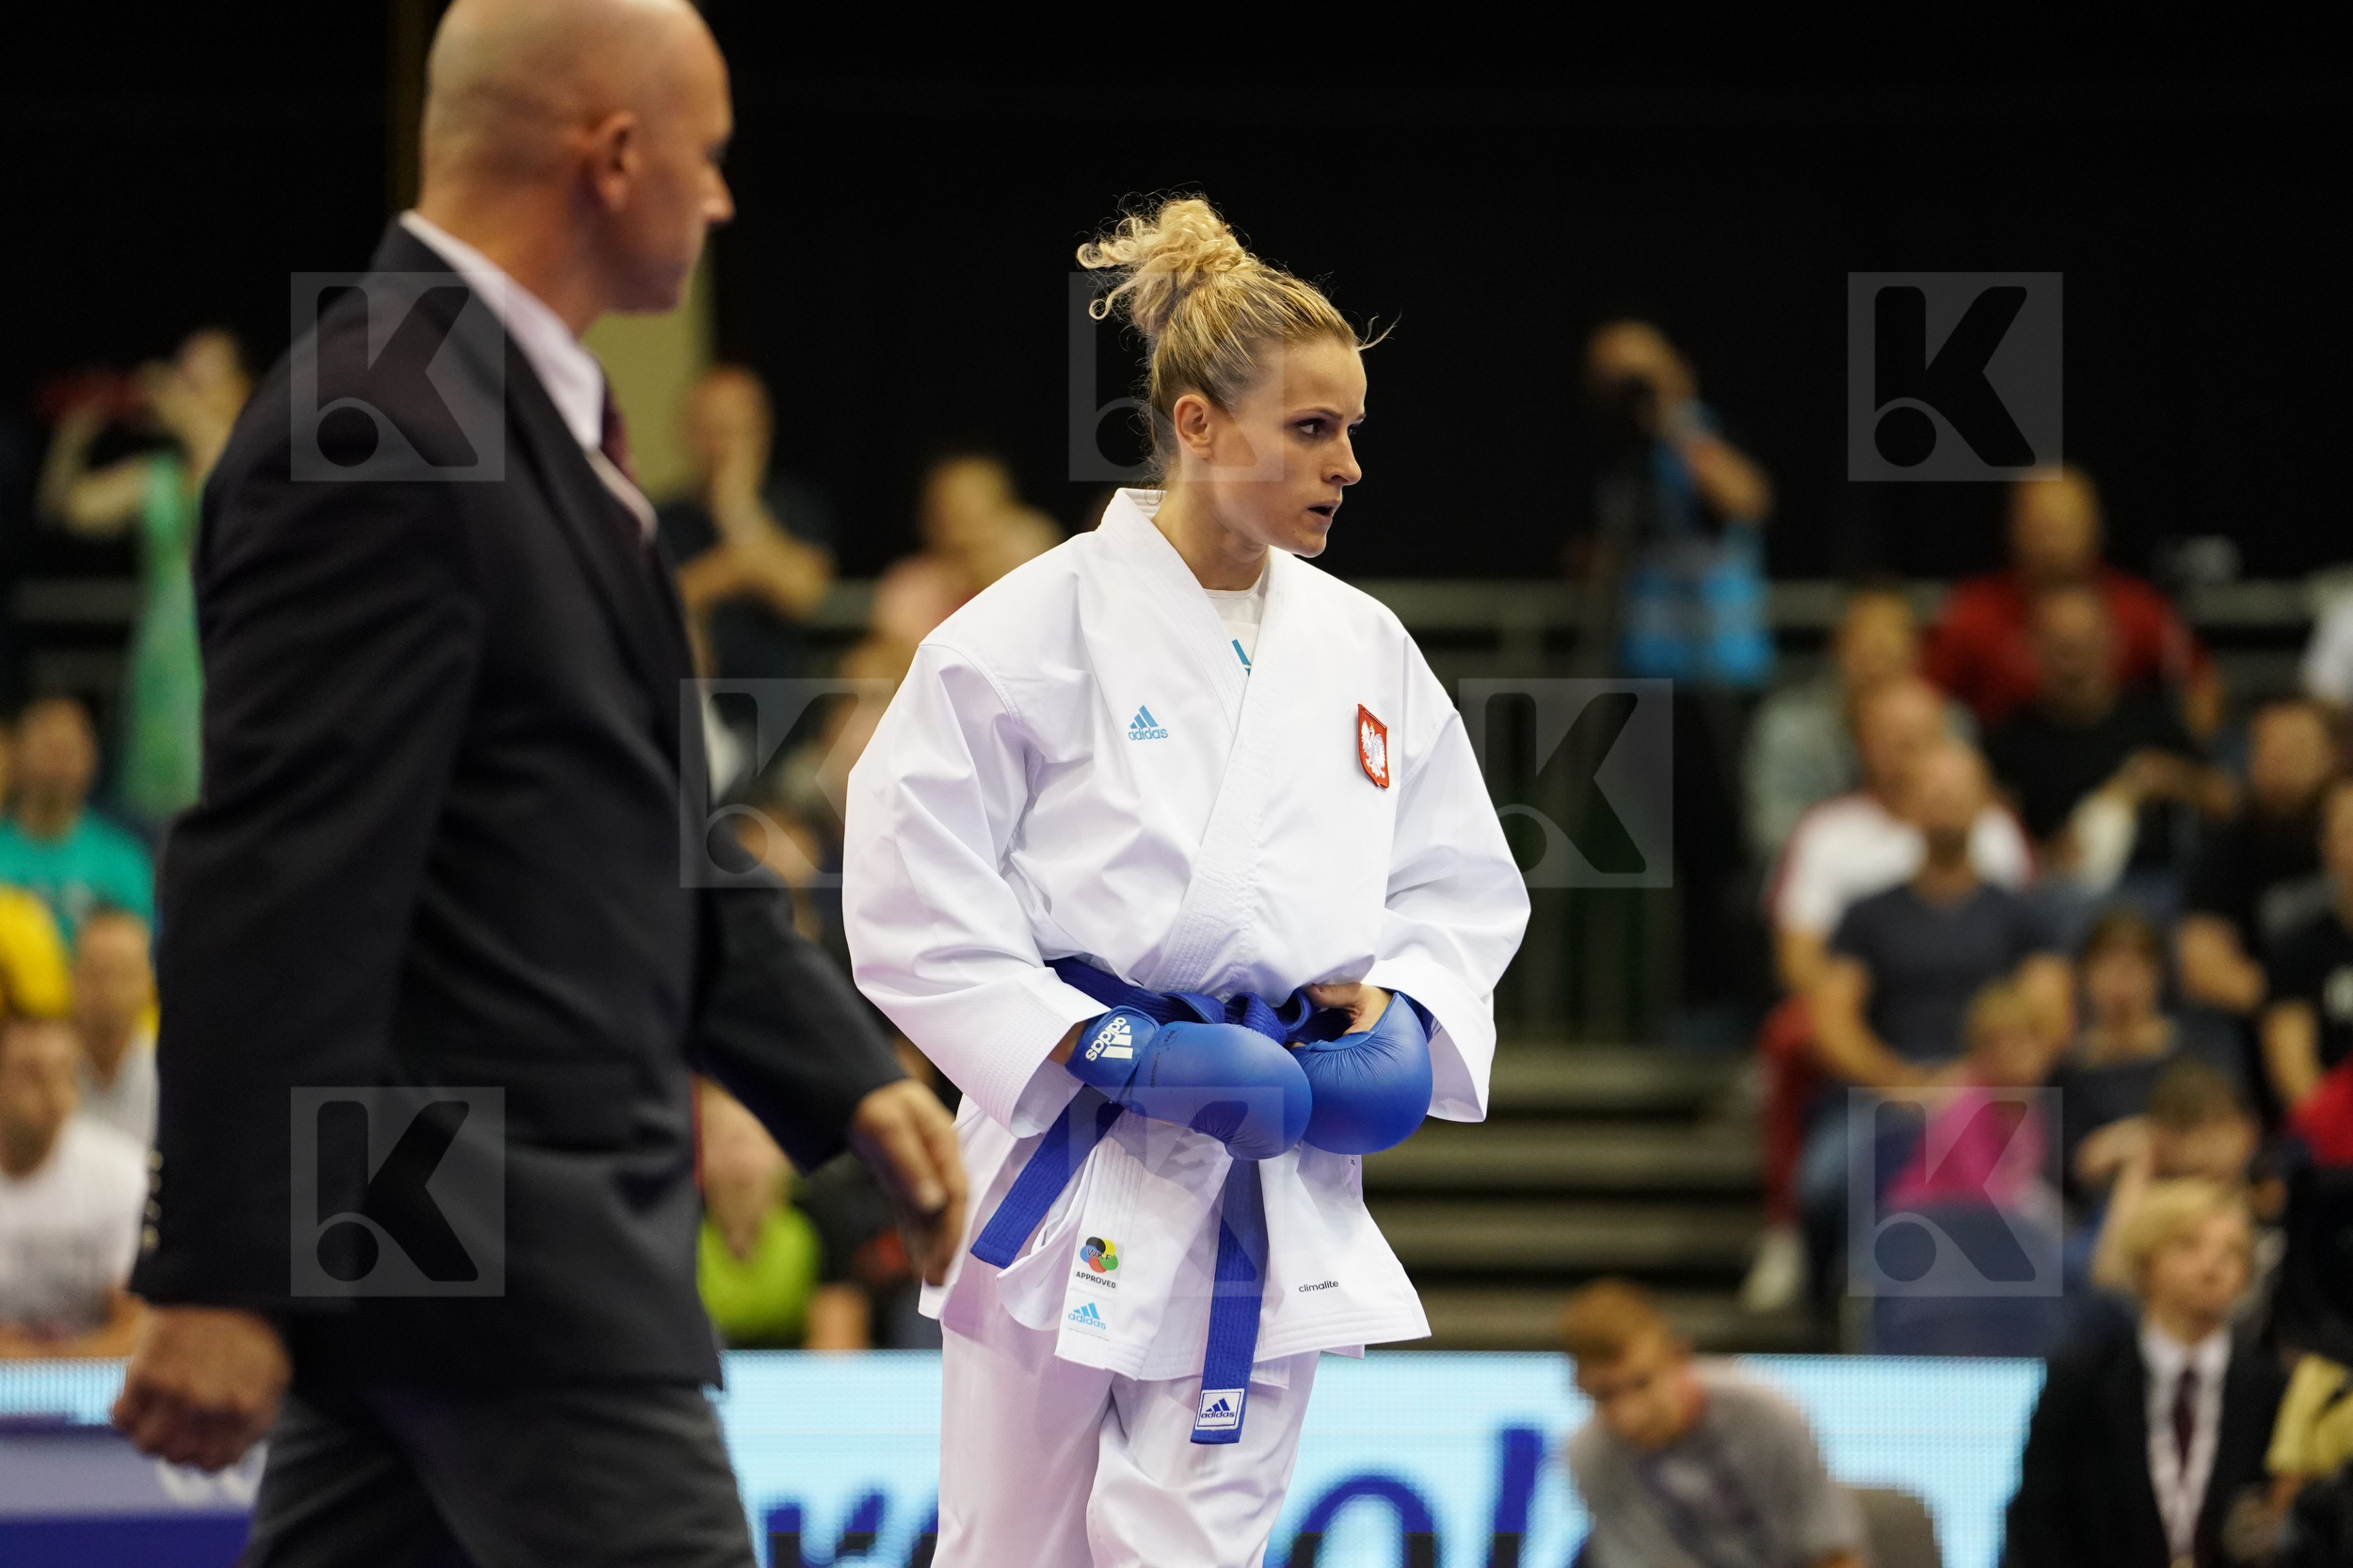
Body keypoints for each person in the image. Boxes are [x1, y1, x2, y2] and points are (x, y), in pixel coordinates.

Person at [108, 7, 964, 1566]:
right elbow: (271, 878)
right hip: (490, 1242)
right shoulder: (375, 431)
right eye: (707, 159)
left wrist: (842, 1067)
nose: (721, 200)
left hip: (463, 1250)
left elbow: (625, 829)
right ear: (613, 155)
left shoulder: (521, 422)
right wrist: (221, 1267)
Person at [840, 195, 1529, 1568]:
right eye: (1312, 429)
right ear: (1199, 423)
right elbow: (909, 882)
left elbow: (1459, 877)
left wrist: (1407, 1012)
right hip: (1068, 1145)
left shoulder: (1364, 645)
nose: (1346, 465)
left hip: (1276, 1150)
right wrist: (1095, 1041)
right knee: (1008, 1548)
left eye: (1354, 431)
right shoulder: (1025, 632)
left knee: (1189, 1549)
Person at [1797, 743, 2069, 1304]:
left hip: (1998, 1098)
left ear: (1985, 804)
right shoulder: (1867, 914)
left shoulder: (2022, 914)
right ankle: (1837, 1318)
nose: (1945, 802)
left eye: (1958, 789)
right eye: (1932, 790)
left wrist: (1974, 1084)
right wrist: (1906, 1085)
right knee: (1823, 1182)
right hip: (1888, 1094)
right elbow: (1832, 1021)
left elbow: (2049, 1014)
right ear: (1908, 806)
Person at [2005, 1178, 2286, 1568]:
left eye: (2232, 1252)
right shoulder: (2082, 1380)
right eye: (2188, 1245)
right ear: (2144, 1262)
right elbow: (2036, 1520)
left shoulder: (2270, 1390)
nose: (2212, 1265)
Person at [36, 327, 249, 831]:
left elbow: (224, 479)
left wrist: (179, 406)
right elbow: (66, 508)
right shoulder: (155, 476)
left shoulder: (254, 467)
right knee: (151, 820)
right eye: (185, 378)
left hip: (228, 662)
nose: (188, 391)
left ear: (242, 389)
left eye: (204, 382)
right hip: (161, 663)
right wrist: (73, 435)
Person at [1561, 1276, 1865, 1568]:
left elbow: (1834, 1555)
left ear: (1677, 1357)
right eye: (1604, 1396)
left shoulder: (1766, 1415)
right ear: (1579, 1388)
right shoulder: (1590, 1458)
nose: (1631, 1415)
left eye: (1641, 1383)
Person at [1980, 584, 2232, 911]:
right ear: (2031, 648)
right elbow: (1994, 843)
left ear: (2110, 641)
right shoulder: (2009, 740)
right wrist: (2045, 858)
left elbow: (2227, 802)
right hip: (2057, 897)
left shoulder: (2153, 720)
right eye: (2060, 644)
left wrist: (2169, 778)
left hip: (2159, 889)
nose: (2073, 657)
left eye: (2083, 641)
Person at [1926, 465, 2220, 738]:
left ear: (2096, 525)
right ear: (2013, 527)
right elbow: (1926, 699)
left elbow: (2199, 685)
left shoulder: (2141, 608)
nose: (2053, 541)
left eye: (2066, 524)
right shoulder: (1972, 613)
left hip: (2119, 770)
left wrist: (2183, 759)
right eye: (2042, 526)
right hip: (2007, 775)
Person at [1743, 582, 1973, 864]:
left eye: (1889, 649)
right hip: (1822, 874)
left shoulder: (1947, 721)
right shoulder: (1789, 726)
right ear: (1836, 647)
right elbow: (1770, 830)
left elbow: (1970, 818)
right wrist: (1860, 848)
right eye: (1865, 647)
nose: (1876, 664)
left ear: (1916, 655)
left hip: (1922, 876)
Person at [659, 363, 838, 680]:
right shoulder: (658, 518)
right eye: (711, 431)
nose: (724, 448)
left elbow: (805, 595)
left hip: (781, 704)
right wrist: (743, 566)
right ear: (687, 433)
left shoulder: (795, 505)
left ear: (763, 433)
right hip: (690, 702)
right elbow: (657, 606)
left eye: (737, 431)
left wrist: (736, 510)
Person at [2177, 697, 2338, 1017]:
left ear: (2331, 755)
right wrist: (2297, 1006)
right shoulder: (2228, 848)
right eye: (2272, 747)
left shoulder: (2345, 825)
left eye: (2298, 746)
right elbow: (2202, 966)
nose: (2284, 759)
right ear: (2250, 757)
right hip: (2272, 1020)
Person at [0, 1016, 148, 1358]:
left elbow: (137, 1327)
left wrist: (44, 1365)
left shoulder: (123, 1175)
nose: (52, 1093)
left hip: (91, 1391)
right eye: (31, 1076)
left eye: (65, 1074)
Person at [0, 696, 156, 937]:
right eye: (47, 746)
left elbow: (143, 953)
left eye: (68, 748)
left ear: (92, 758)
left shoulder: (122, 859)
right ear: (16, 753)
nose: (58, 762)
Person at [2262, 778, 2353, 1116]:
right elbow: (2294, 1074)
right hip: (2336, 1147)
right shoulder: (2298, 952)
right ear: (2326, 847)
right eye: (2348, 832)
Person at [68, 908, 157, 1145]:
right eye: (96, 973)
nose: (108, 989)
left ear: (148, 984)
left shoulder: (171, 1081)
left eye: (123, 975)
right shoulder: (45, 1079)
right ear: (72, 978)